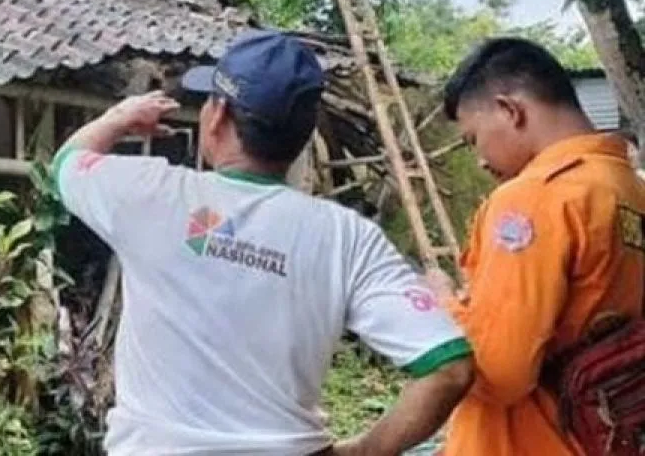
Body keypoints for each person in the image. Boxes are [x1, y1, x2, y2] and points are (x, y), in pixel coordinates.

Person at [51, 30, 474, 456]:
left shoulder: (146, 193)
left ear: (217, 116)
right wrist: (363, 452)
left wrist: (118, 118)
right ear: (304, 134)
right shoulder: (348, 238)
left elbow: (65, 165)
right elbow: (449, 368)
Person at [425, 37, 645, 456]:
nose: (480, 160)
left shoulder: (532, 199)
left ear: (510, 110)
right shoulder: (629, 189)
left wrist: (442, 304)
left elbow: (500, 371)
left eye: (473, 139)